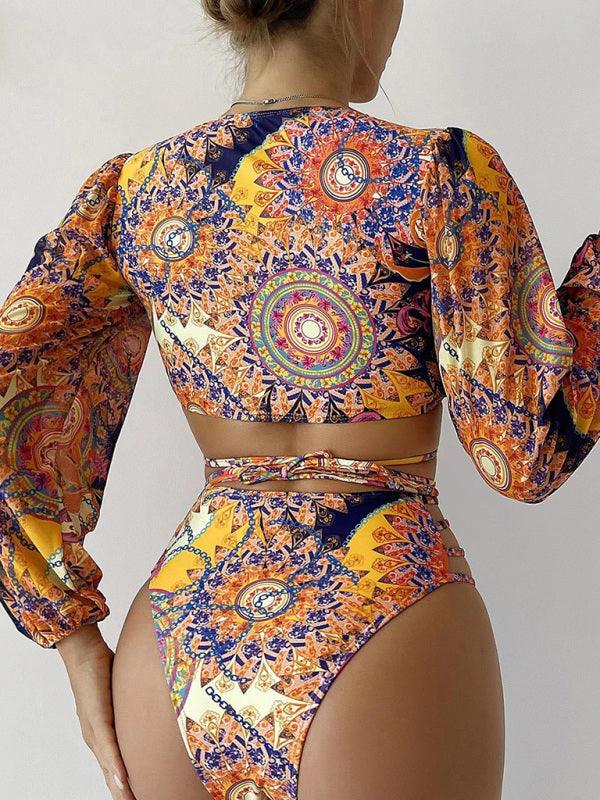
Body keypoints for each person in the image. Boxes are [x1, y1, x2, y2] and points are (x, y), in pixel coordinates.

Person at [1, 0, 598, 798]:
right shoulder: (436, 171)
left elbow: (12, 388)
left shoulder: (136, 189)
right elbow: (525, 452)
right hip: (381, 603)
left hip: (181, 631)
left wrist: (72, 637)